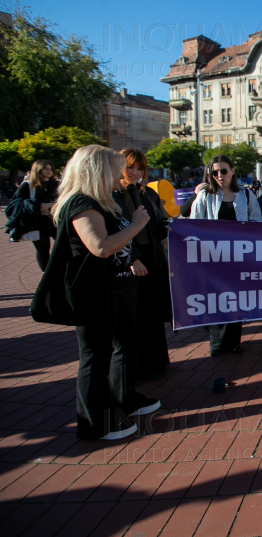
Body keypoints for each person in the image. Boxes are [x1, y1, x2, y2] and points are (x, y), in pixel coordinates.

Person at [48, 145, 161, 440]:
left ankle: (125, 400)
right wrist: (136, 226)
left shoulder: (101, 202)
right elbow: (100, 247)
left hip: (113, 286)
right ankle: (94, 422)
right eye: (115, 169)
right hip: (91, 291)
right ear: (98, 172)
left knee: (127, 338)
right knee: (95, 355)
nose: (121, 175)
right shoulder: (81, 203)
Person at [190, 155, 262, 355]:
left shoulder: (246, 195)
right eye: (214, 172)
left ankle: (233, 342)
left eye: (223, 170)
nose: (219, 176)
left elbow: (256, 222)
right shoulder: (205, 196)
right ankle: (217, 343)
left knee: (236, 299)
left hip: (239, 257)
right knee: (216, 300)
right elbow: (195, 224)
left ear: (232, 170)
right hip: (213, 258)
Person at [113, 149, 172, 381]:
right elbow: (115, 230)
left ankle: (156, 362)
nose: (135, 172)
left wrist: (170, 230)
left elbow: (159, 223)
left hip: (152, 258)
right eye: (130, 167)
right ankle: (135, 367)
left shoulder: (148, 193)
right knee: (133, 314)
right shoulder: (113, 196)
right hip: (130, 261)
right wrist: (132, 258)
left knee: (154, 311)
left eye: (139, 168)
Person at [14, 160, 59, 271]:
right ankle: (47, 273)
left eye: (51, 169)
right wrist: (38, 206)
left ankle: (60, 270)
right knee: (43, 249)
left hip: (55, 220)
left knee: (63, 245)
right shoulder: (28, 186)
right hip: (36, 222)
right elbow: (15, 203)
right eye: (46, 169)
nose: (49, 171)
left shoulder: (57, 184)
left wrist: (50, 205)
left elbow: (65, 199)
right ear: (38, 170)